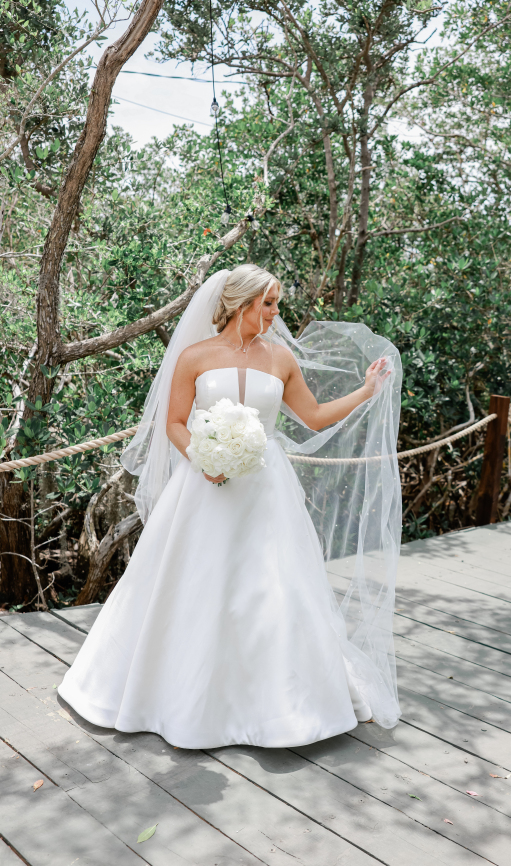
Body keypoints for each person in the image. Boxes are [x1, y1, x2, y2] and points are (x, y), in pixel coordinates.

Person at [58, 265, 403, 749]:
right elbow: (175, 422)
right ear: (241, 304)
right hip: (203, 488)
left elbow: (313, 416)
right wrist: (204, 459)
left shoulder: (281, 359)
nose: (276, 313)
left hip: (265, 492)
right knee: (194, 584)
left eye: (276, 303)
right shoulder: (194, 356)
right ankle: (175, 699)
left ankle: (281, 708)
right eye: (269, 303)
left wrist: (366, 391)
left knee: (272, 589)